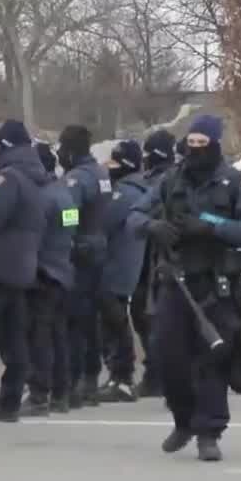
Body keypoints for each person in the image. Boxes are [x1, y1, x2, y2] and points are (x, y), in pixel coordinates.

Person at [135, 115, 241, 462]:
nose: (195, 151)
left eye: (202, 145)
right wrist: (153, 226)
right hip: (175, 282)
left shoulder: (236, 183)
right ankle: (184, 420)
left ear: (215, 145)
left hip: (218, 282)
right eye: (190, 144)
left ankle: (209, 431)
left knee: (212, 360)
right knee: (164, 352)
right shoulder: (170, 180)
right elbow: (133, 215)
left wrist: (211, 227)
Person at [0, 121, 47, 423]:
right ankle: (11, 399)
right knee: (14, 336)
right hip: (23, 269)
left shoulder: (7, 179)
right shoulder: (36, 178)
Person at [58, 124, 113, 408]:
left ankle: (77, 380)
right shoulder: (101, 173)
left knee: (76, 320)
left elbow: (68, 215)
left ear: (68, 150)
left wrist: (62, 240)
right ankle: (90, 377)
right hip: (99, 249)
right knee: (91, 319)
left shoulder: (77, 179)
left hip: (81, 253)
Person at [20, 141, 76, 416]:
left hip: (43, 274)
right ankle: (61, 393)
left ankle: (39, 393)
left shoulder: (42, 198)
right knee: (58, 335)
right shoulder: (64, 193)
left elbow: (35, 239)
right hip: (63, 270)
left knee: (39, 336)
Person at [95, 140, 150, 403]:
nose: (110, 168)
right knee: (115, 319)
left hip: (116, 265)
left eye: (115, 163)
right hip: (126, 263)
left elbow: (103, 222)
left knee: (114, 320)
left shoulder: (125, 193)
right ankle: (120, 375)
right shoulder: (139, 189)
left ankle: (122, 376)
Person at [129, 129, 175, 398]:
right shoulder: (154, 180)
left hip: (160, 259)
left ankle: (159, 374)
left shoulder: (167, 181)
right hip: (149, 256)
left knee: (151, 316)